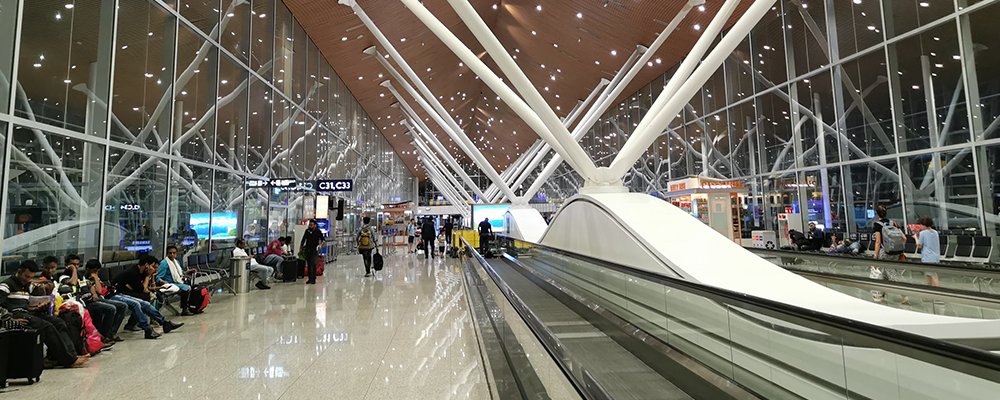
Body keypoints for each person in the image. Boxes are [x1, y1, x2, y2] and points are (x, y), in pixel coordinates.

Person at [0, 261, 89, 368]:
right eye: (26, 276)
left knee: (59, 322)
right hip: (16, 314)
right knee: (47, 327)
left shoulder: (27, 285)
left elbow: (40, 293)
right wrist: (8, 318)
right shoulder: (6, 286)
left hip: (28, 312)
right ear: (19, 272)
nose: (28, 279)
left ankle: (68, 355)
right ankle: (69, 360)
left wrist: (43, 300)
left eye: (31, 277)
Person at [110, 256, 183, 339]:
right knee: (139, 302)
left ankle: (165, 323)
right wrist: (148, 276)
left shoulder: (140, 272)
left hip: (125, 292)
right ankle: (147, 328)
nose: (153, 269)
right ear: (146, 265)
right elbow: (143, 289)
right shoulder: (133, 272)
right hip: (116, 294)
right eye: (152, 266)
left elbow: (143, 289)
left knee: (144, 302)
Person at [60, 256, 128, 344]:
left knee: (121, 306)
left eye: (77, 265)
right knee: (111, 308)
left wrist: (94, 292)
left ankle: (109, 334)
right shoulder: (64, 276)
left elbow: (92, 287)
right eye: (73, 264)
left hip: (93, 298)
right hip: (82, 302)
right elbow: (73, 282)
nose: (76, 266)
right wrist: (73, 270)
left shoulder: (81, 276)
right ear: (67, 265)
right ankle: (106, 335)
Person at [871, 205, 905, 303]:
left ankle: (904, 295)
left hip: (884, 252)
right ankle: (880, 295)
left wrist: (875, 257)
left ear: (877, 214)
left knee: (890, 274)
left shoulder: (877, 225)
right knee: (885, 273)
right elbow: (904, 238)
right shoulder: (893, 223)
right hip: (895, 252)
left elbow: (878, 242)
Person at [157, 245, 198, 316]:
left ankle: (188, 306)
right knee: (186, 288)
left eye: (174, 253)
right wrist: (163, 282)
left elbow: (180, 273)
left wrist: (188, 272)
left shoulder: (176, 262)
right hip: (170, 283)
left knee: (191, 286)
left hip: (177, 282)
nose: (172, 254)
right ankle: (184, 309)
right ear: (167, 254)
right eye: (170, 253)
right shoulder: (164, 263)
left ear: (176, 253)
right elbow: (158, 277)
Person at [914, 217, 941, 287]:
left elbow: (919, 246)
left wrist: (915, 238)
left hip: (928, 258)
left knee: (933, 276)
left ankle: (939, 293)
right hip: (936, 257)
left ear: (924, 225)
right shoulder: (935, 232)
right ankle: (929, 290)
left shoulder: (922, 233)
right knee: (929, 275)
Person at [300, 219, 325, 284]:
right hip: (307, 249)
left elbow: (323, 240)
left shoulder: (318, 231)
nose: (310, 226)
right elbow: (303, 239)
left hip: (314, 250)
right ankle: (309, 278)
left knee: (313, 264)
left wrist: (320, 245)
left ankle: (313, 278)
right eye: (309, 225)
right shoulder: (307, 231)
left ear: (315, 225)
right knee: (308, 264)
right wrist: (301, 247)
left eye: (311, 225)